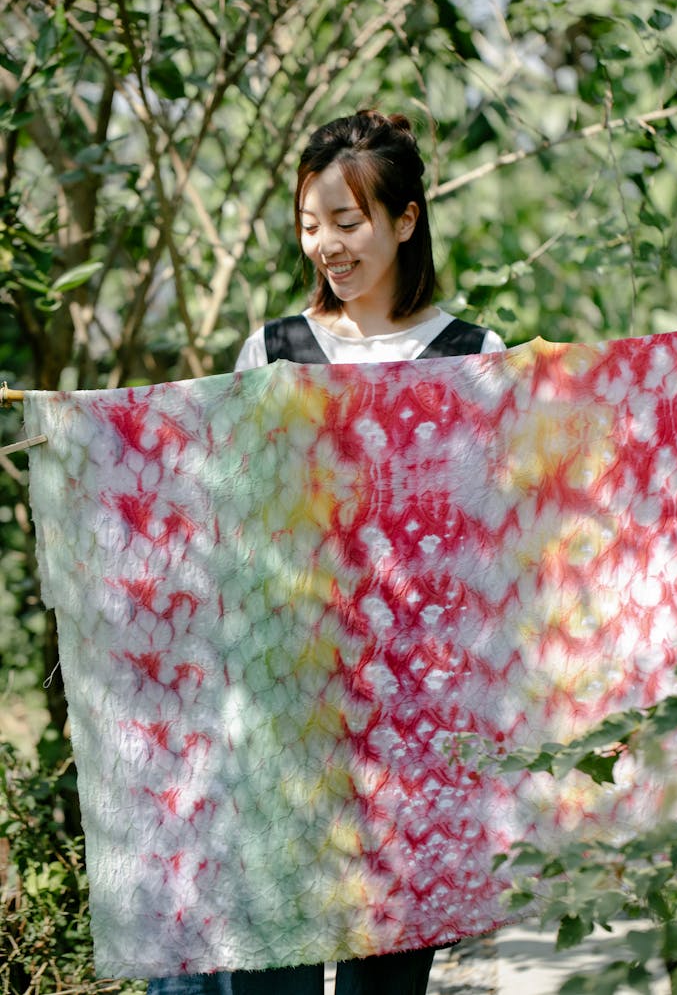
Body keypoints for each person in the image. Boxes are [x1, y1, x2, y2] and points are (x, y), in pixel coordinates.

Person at [147, 109, 506, 995]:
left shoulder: (476, 358)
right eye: (311, 224)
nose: (326, 245)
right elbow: (220, 513)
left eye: (347, 222)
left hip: (412, 724)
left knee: (387, 984)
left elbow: (494, 542)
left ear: (406, 219)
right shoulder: (273, 352)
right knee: (272, 974)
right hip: (288, 713)